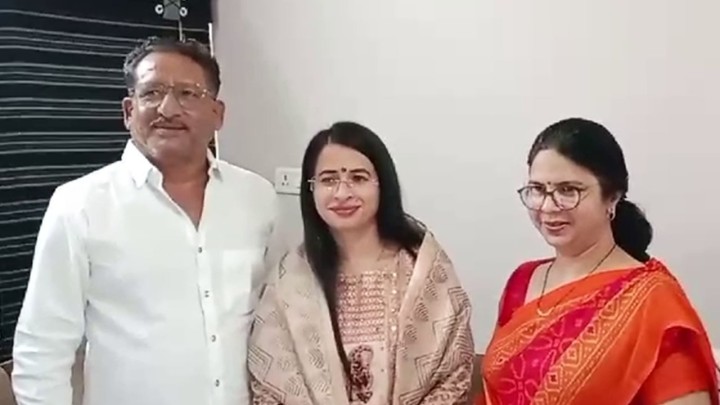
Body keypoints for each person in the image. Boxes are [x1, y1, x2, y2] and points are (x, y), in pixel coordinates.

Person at [12, 37, 279, 405]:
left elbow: (272, 321)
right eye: (152, 92)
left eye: (188, 93)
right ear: (128, 110)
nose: (167, 108)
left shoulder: (257, 197)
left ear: (217, 113)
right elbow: (43, 347)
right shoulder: (79, 205)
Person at [478, 118, 719, 404]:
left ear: (612, 198)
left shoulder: (653, 302)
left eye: (568, 190)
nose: (548, 206)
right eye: (538, 189)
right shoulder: (522, 280)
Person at [248, 121, 474, 405]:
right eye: (328, 180)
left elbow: (453, 375)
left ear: (382, 184)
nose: (342, 193)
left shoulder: (425, 271)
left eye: (358, 178)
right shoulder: (290, 281)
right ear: (311, 190)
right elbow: (268, 388)